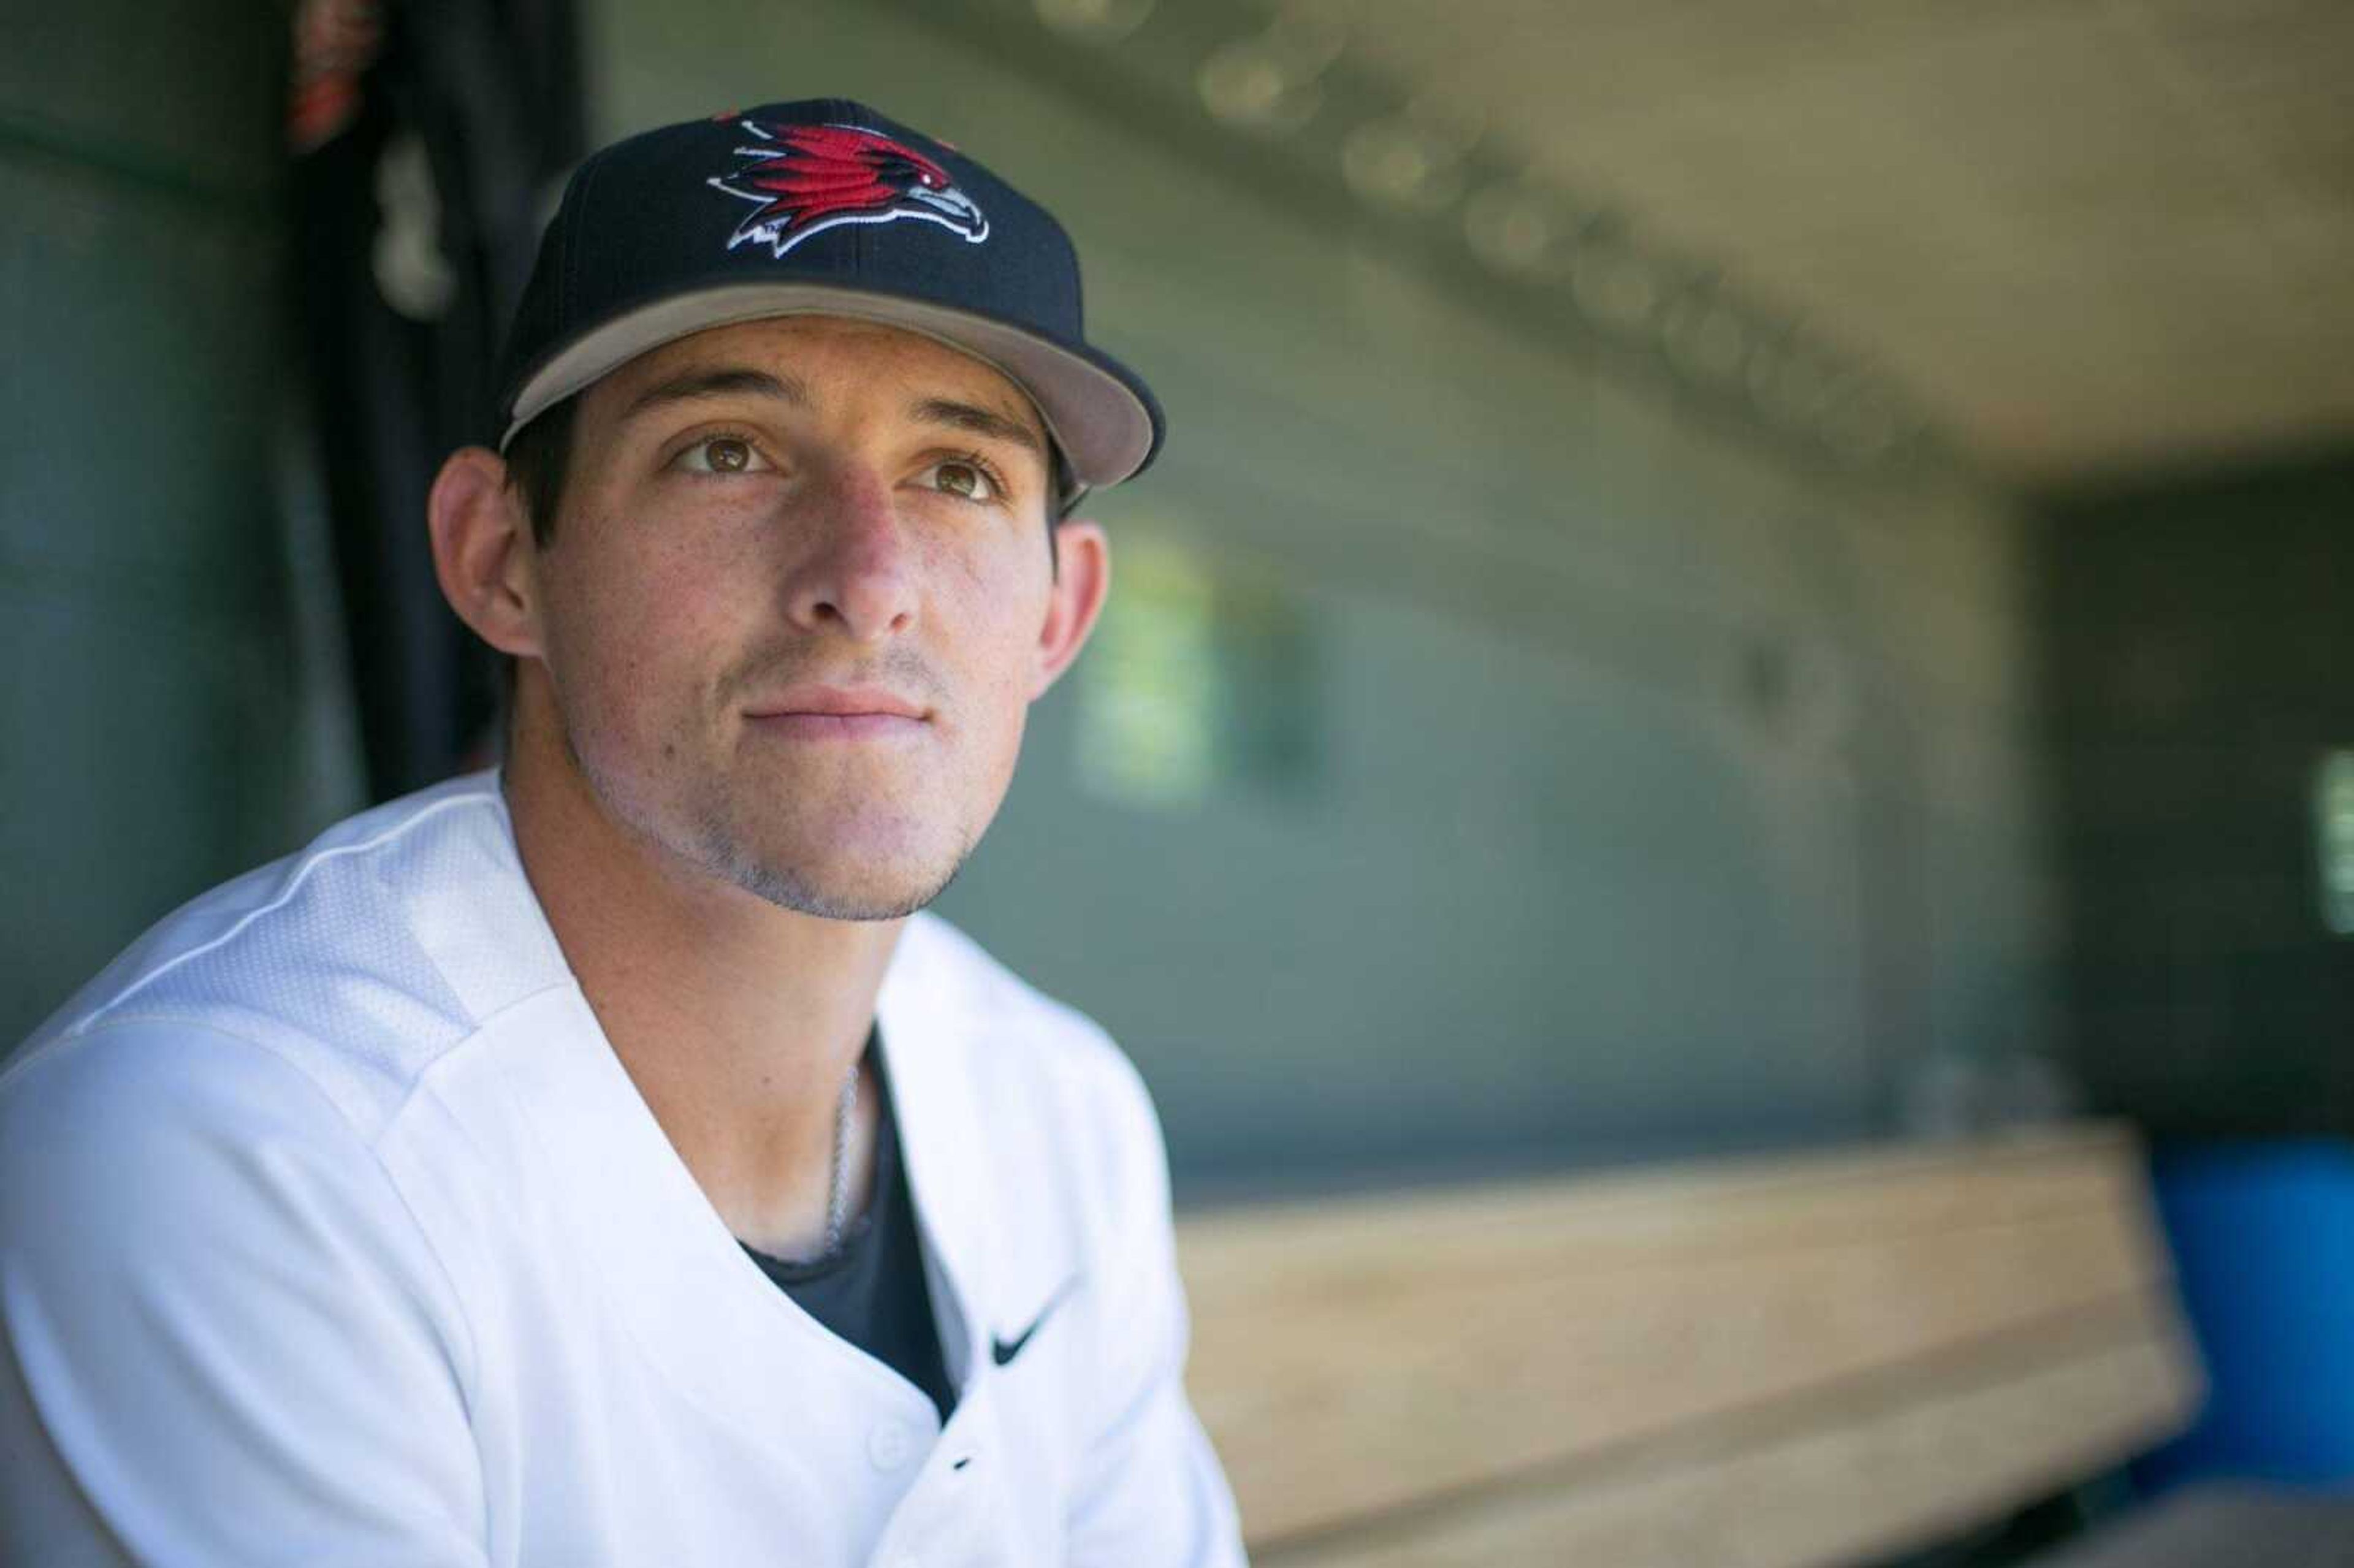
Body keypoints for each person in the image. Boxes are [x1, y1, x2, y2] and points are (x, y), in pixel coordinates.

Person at [0, 99, 1246, 1566]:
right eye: (729, 450)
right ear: (499, 558)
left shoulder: (1062, 1113)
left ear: (1058, 613)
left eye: (957, 473)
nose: (868, 578)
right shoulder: (234, 1146)